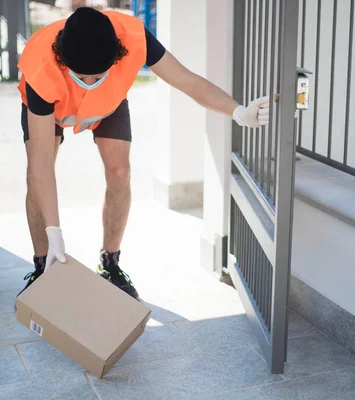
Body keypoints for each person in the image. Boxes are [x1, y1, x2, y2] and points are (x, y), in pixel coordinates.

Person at [17, 7, 269, 300]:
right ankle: (42, 264)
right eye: (80, 76)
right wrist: (54, 232)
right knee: (35, 178)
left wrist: (238, 113)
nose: (87, 83)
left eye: (95, 75)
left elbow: (188, 81)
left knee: (120, 171)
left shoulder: (135, 37)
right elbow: (41, 165)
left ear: (116, 56)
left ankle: (110, 264)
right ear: (63, 59)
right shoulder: (41, 64)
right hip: (51, 106)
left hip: (108, 103)